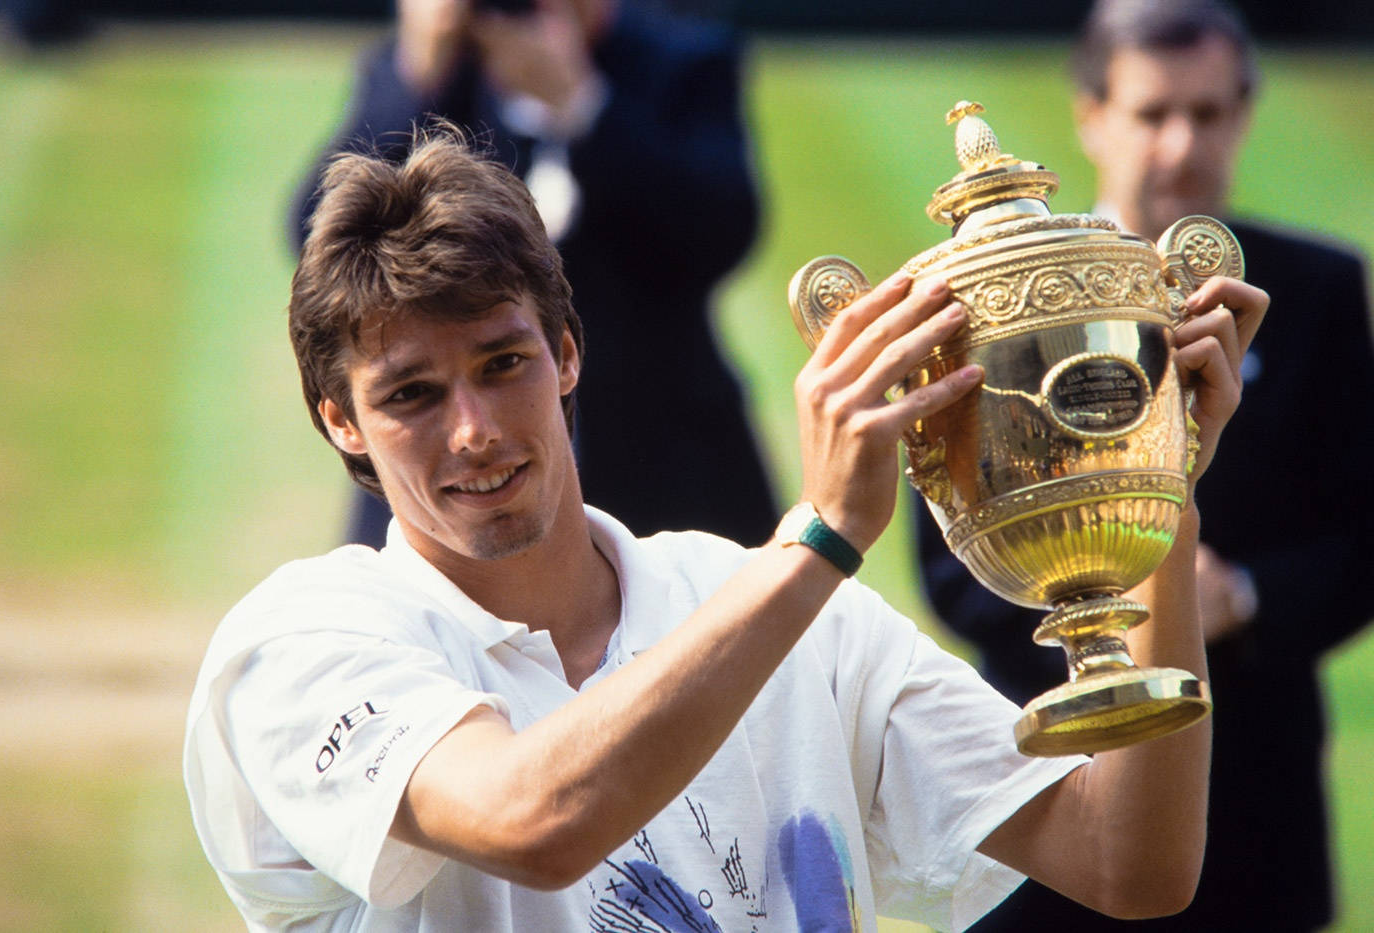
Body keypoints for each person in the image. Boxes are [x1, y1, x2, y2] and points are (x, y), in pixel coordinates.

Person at [184, 122, 1266, 931]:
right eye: (410, 396)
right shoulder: (299, 643)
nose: (470, 432)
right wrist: (819, 538)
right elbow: (533, 822)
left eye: (500, 364)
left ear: (565, 354)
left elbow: (1127, 862)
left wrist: (1144, 486)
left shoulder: (770, 606)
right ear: (343, 424)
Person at [913, 0, 1374, 929]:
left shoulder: (1315, 291)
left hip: (1255, 789)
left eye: (1207, 114)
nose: (1180, 144)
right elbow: (946, 566)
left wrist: (1239, 597)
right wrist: (1109, 604)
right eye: (1152, 112)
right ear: (1090, 114)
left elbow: (1362, 540)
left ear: (1245, 113)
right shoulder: (997, 297)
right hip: (1059, 775)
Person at [291, 0, 778, 549]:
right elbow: (319, 247)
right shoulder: (432, 68)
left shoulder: (682, 56)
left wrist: (583, 105)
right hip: (449, 486)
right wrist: (415, 79)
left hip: (663, 446)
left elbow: (723, 230)